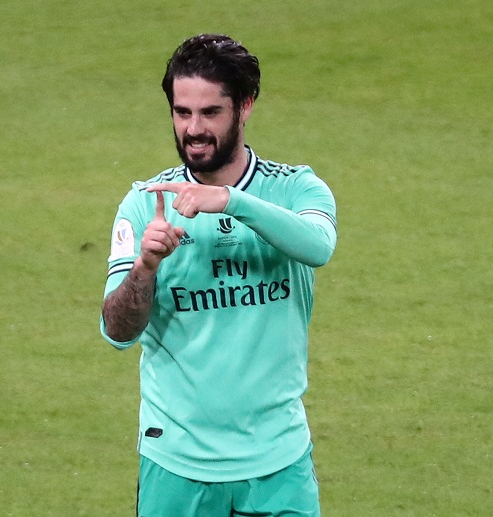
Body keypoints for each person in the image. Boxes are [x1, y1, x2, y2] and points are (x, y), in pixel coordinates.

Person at [100, 34, 337, 517]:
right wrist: (145, 267)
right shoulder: (147, 204)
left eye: (210, 112)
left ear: (245, 106)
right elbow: (117, 332)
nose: (194, 129)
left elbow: (318, 246)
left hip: (278, 462)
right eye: (182, 112)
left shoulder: (295, 188)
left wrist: (231, 201)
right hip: (176, 464)